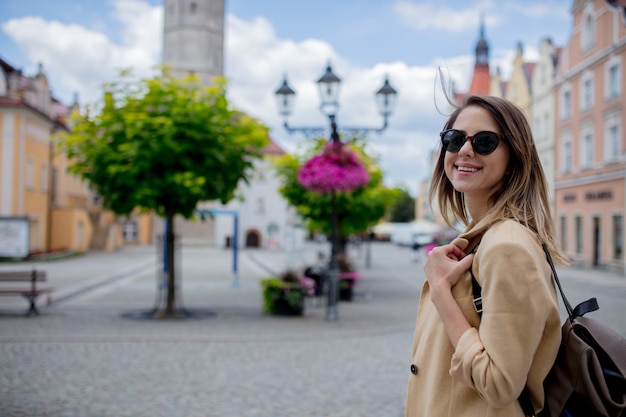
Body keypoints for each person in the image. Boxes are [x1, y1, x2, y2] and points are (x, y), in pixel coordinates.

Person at [405, 95, 569, 417]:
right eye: (454, 139)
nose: (465, 150)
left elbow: (500, 384)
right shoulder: (483, 237)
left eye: (485, 142)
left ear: (514, 160)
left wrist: (441, 292)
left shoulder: (507, 246)